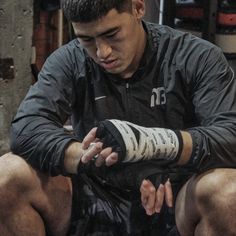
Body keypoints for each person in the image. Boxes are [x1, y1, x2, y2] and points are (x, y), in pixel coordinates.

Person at [0, 0, 236, 235]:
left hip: (174, 199)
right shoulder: (70, 60)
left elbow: (230, 135)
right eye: (87, 40)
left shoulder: (196, 57)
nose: (102, 52)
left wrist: (154, 146)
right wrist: (98, 160)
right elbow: (26, 129)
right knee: (7, 175)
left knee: (228, 192)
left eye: (111, 34)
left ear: (138, 8)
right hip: (96, 197)